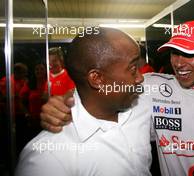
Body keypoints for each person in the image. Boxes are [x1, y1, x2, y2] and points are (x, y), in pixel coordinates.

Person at [39, 21, 194, 175]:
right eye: (175, 53)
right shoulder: (153, 85)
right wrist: (64, 102)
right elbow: (102, 85)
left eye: (190, 54)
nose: (179, 63)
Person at [15, 28, 152, 176]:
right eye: (132, 69)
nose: (140, 78)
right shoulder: (47, 157)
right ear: (97, 78)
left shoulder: (143, 101)